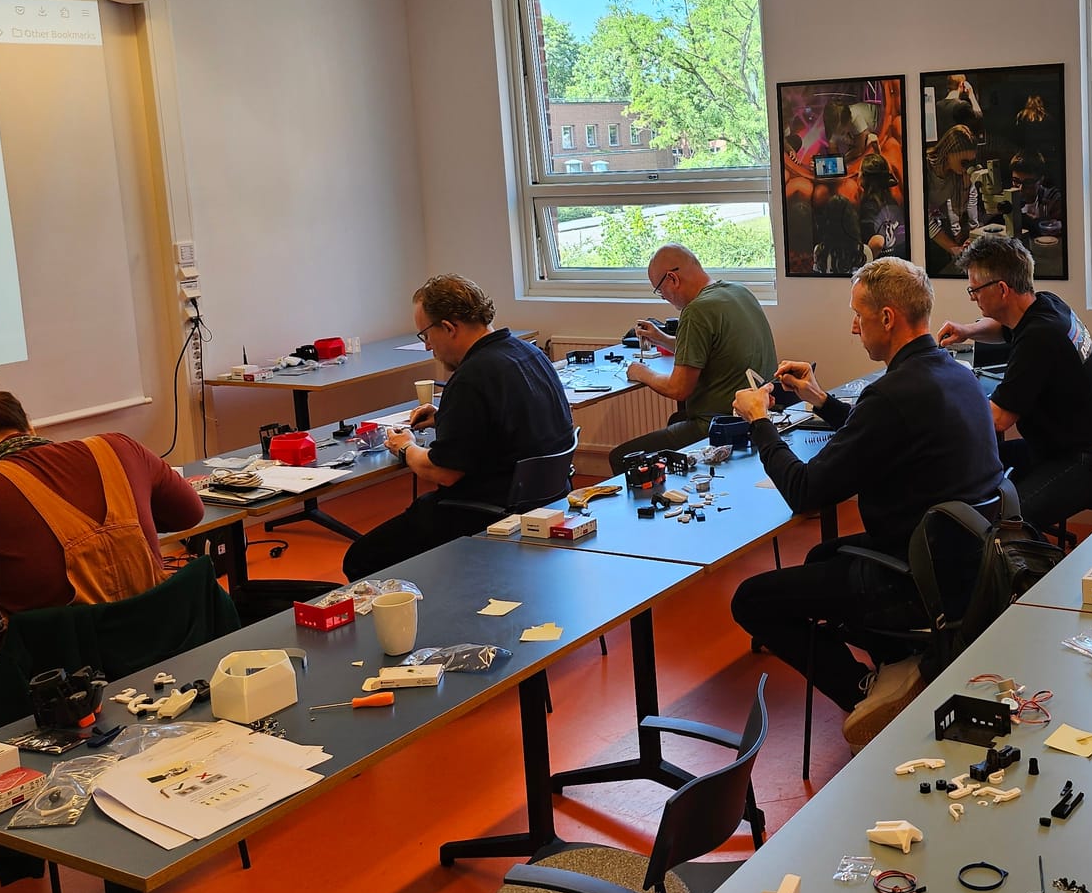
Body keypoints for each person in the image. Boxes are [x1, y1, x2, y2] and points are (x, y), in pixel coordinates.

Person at [728, 258, 1004, 749]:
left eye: (858, 314)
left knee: (751, 599)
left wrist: (759, 422)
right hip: (966, 563)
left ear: (888, 318)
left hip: (914, 577)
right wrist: (818, 398)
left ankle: (863, 691)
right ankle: (900, 659)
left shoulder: (890, 394)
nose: (853, 327)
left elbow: (806, 491)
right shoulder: (954, 371)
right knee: (821, 559)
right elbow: (883, 430)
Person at [0, 365, 203, 667]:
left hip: (65, 678)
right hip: (165, 648)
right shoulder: (119, 448)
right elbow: (189, 513)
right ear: (30, 428)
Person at [343, 274, 572, 579]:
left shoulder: (472, 377)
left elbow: (443, 472)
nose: (427, 347)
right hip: (547, 499)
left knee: (360, 559)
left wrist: (406, 447)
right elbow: (510, 420)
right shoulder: (527, 353)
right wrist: (446, 415)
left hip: (483, 511)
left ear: (449, 328)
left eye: (426, 335)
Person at [935, 233, 1092, 532]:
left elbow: (998, 419)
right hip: (1064, 448)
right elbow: (1004, 328)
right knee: (968, 469)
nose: (973, 297)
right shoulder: (1046, 305)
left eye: (974, 290)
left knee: (999, 525)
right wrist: (967, 330)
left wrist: (950, 396)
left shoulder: (1038, 338)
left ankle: (1022, 573)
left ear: (1002, 289)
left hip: (1088, 463)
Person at [607, 245, 776, 474]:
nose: (664, 297)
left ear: (673, 279)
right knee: (676, 419)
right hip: (759, 416)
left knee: (621, 457)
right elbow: (709, 347)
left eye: (659, 290)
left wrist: (641, 372)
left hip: (719, 425)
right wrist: (662, 339)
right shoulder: (738, 291)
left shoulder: (696, 311)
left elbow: (679, 389)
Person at [924, 124, 981, 265]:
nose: (967, 166)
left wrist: (967, 184)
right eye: (965, 162)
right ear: (950, 151)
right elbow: (923, 217)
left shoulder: (955, 174)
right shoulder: (925, 167)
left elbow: (959, 209)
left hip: (936, 223)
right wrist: (954, 248)